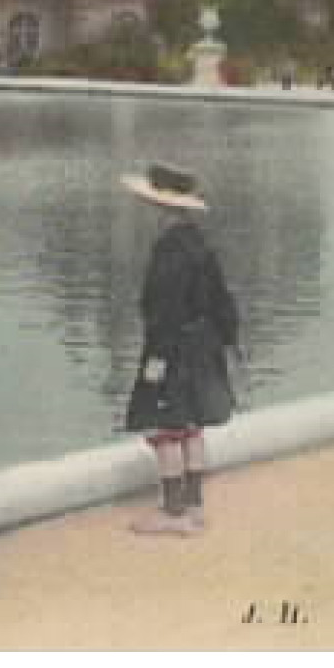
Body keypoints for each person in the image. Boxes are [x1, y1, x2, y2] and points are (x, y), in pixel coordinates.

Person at [120, 163, 240, 536]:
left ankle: (173, 514)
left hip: (172, 347)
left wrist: (155, 360)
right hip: (204, 345)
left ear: (162, 209)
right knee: (192, 425)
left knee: (163, 424)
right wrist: (228, 341)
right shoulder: (201, 244)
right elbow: (223, 302)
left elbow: (162, 310)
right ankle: (194, 505)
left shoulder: (168, 249)